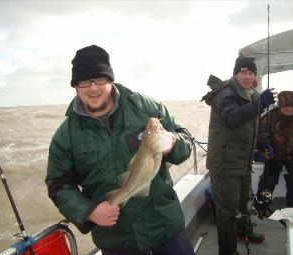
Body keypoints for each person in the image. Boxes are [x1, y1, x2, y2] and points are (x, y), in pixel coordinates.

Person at [45, 45, 195, 254]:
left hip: (165, 228)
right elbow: (58, 184)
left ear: (110, 79)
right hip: (116, 240)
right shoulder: (66, 135)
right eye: (84, 81)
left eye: (100, 79)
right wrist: (89, 212)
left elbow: (186, 139)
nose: (93, 88)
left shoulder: (145, 106)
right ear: (75, 86)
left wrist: (174, 143)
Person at [202, 55, 275, 255]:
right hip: (225, 163)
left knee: (244, 202)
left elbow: (254, 123)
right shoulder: (225, 94)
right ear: (236, 73)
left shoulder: (251, 94)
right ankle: (227, 251)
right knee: (227, 211)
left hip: (242, 162)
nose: (248, 76)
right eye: (243, 72)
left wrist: (262, 144)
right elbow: (232, 119)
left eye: (251, 73)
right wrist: (258, 104)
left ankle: (244, 231)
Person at [255, 90, 293, 208]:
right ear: (280, 105)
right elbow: (257, 133)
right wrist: (263, 148)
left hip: (292, 156)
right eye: (286, 106)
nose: (289, 109)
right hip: (273, 155)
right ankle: (260, 205)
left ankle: (291, 207)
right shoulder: (270, 115)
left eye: (292, 106)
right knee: (268, 182)